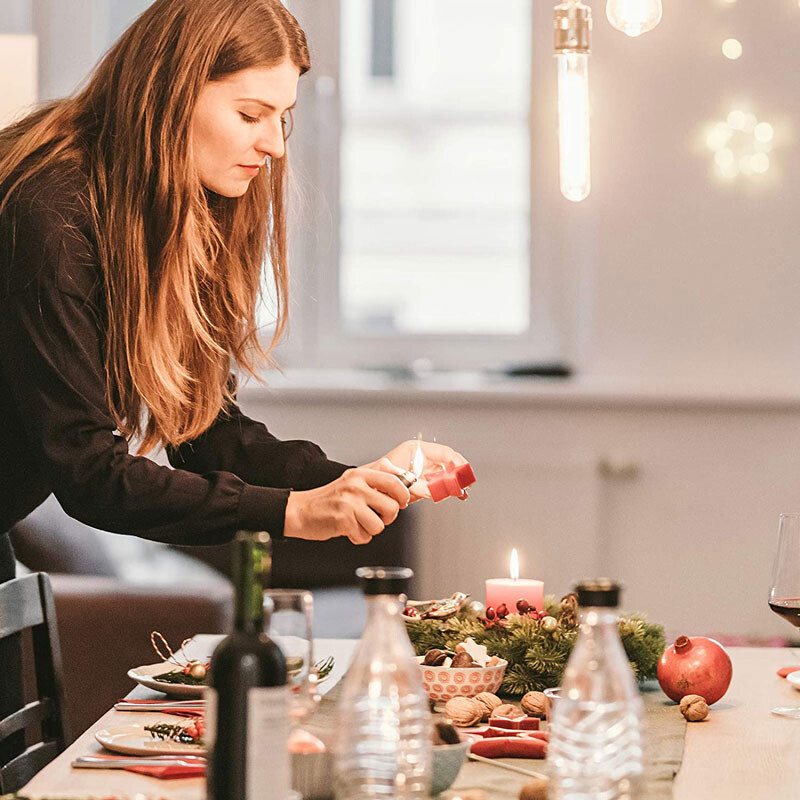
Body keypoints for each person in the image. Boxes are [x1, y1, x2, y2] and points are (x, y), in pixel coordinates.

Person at [0, 0, 470, 585]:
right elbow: (91, 476)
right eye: (251, 114)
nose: (274, 144)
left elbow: (206, 433)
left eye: (283, 117)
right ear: (169, 95)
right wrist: (292, 512)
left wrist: (353, 482)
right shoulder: (46, 211)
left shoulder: (171, 211)